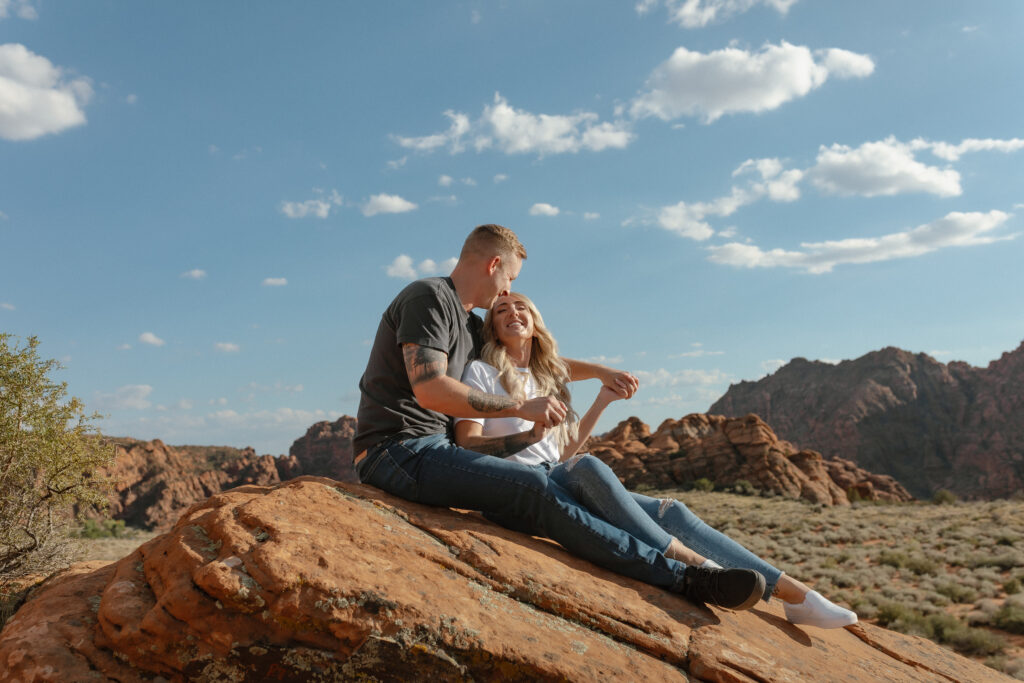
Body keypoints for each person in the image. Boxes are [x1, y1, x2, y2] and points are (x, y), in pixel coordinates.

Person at [354, 223, 766, 610]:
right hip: (396, 451)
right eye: (510, 279)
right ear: (494, 265)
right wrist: (519, 407)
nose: (507, 290)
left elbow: (528, 360)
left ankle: (703, 567)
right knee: (535, 486)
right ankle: (686, 579)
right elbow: (429, 389)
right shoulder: (428, 297)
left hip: (430, 451)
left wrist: (601, 374)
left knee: (570, 486)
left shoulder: (469, 323)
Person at [454, 291, 858, 629]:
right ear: (492, 328)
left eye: (520, 306)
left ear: (535, 320)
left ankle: (796, 596)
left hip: (555, 474)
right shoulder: (481, 373)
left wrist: (602, 397)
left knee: (672, 509)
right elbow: (467, 446)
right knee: (589, 468)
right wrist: (526, 433)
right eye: (501, 311)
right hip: (518, 487)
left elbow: (560, 454)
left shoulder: (546, 379)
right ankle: (699, 567)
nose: (511, 312)